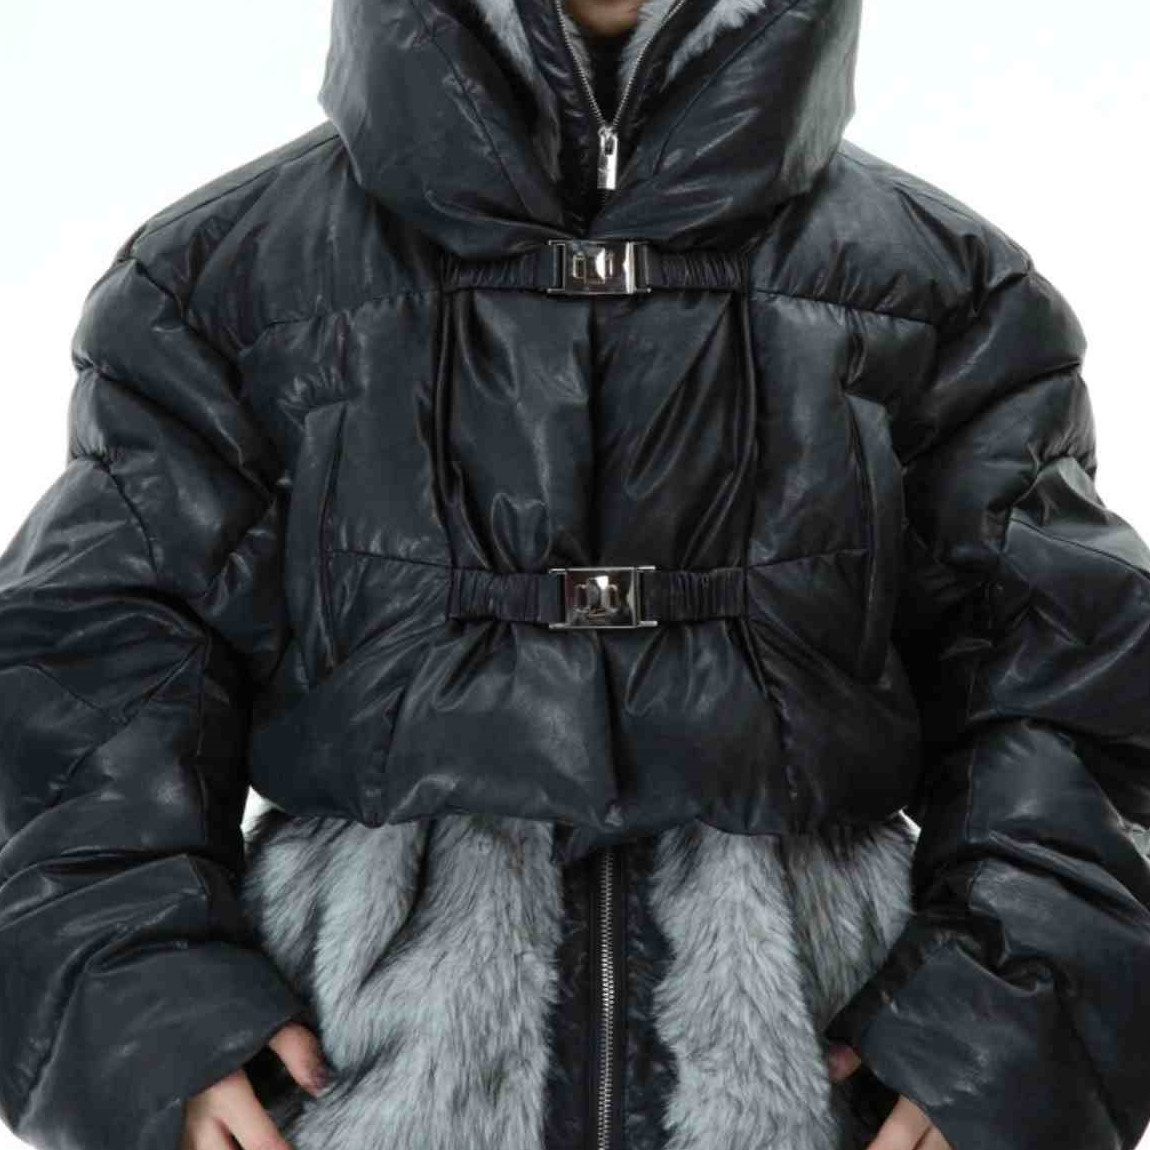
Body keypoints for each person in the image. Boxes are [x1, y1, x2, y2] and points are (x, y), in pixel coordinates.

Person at [1, 1, 1149, 1149]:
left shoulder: (944, 291)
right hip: (354, 1077)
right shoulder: (222, 279)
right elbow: (95, 675)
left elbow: (1064, 686)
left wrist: (987, 1032)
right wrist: (154, 1013)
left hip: (816, 1078)